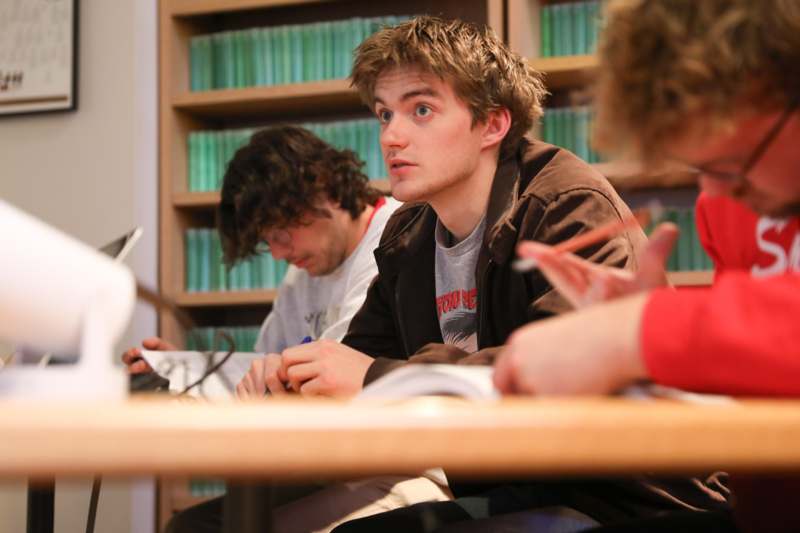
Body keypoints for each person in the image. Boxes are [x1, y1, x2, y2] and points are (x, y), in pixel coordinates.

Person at [271, 15, 727, 533]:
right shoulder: (409, 234)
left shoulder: (566, 204)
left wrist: (377, 379)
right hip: (522, 486)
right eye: (384, 114)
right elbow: (356, 360)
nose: (392, 136)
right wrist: (294, 376)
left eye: (420, 110)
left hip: (628, 499)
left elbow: (572, 376)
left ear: (493, 124)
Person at [493, 1, 800, 530]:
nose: (715, 191)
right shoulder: (724, 207)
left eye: (735, 163)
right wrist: (662, 362)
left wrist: (638, 333)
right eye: (701, 167)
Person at [124, 126, 452, 533]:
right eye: (268, 242)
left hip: (399, 462)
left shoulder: (392, 241)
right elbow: (257, 373)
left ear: (325, 191)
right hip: (328, 464)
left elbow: (317, 387)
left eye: (282, 233)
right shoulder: (303, 277)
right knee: (192, 527)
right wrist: (185, 372)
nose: (279, 253)